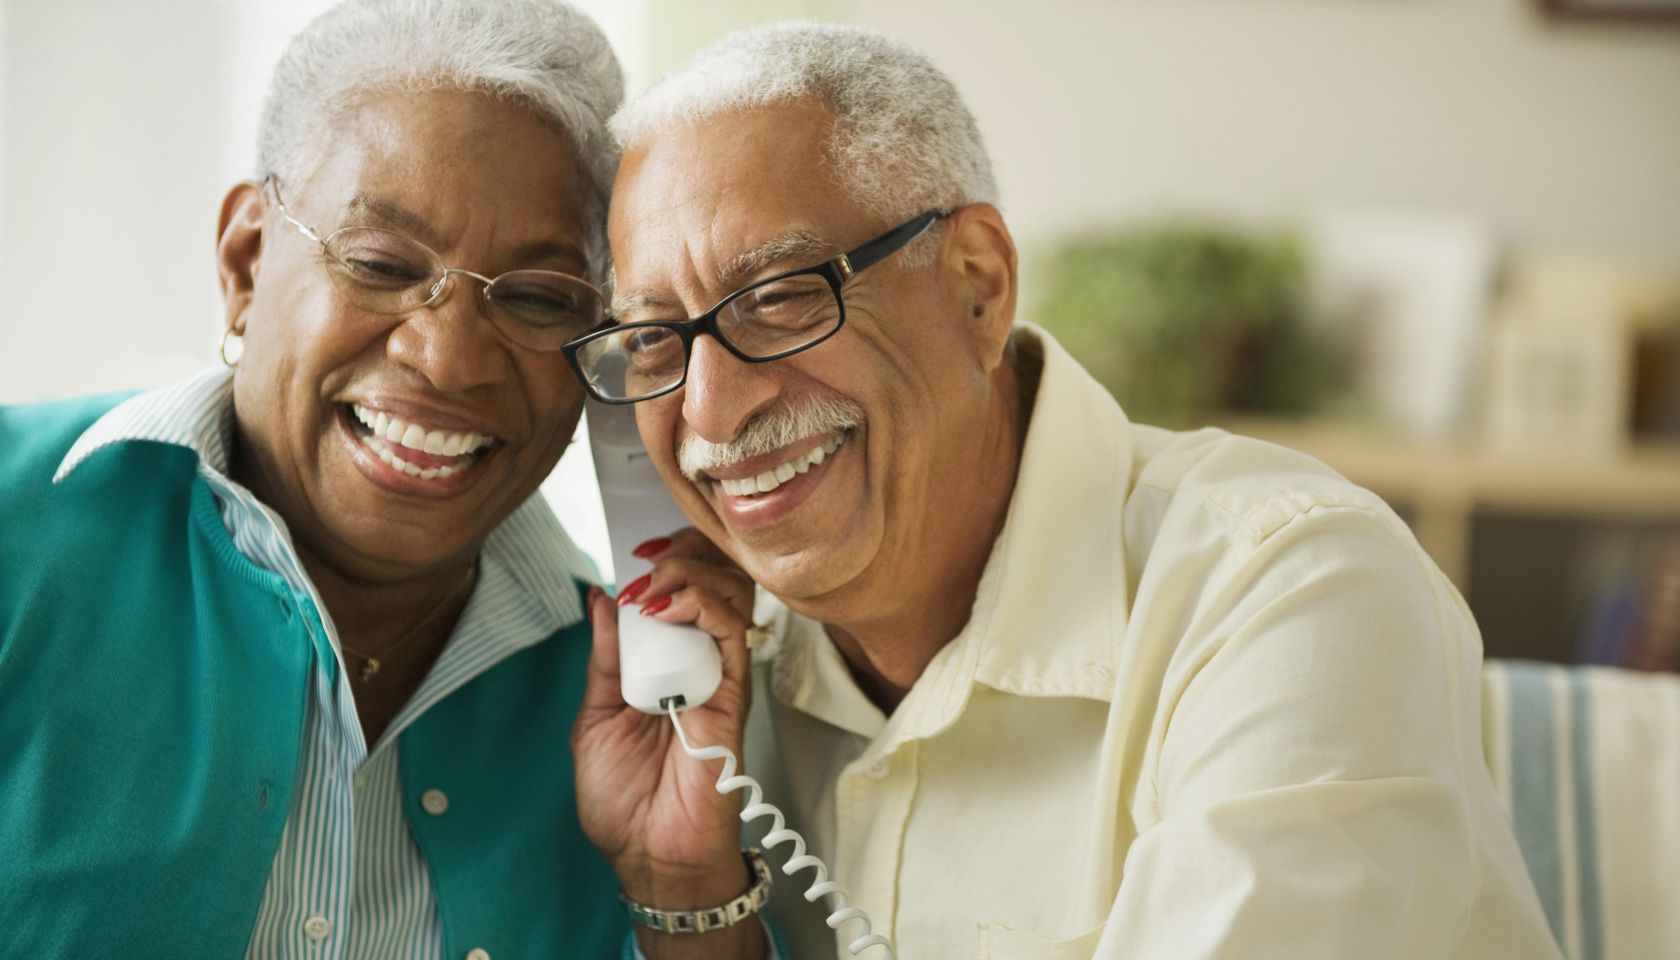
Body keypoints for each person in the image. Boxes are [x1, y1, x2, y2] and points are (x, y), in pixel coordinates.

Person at [565, 21, 1568, 960]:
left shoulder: (1294, 587)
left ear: (976, 285)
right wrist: (689, 887)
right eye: (653, 338)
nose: (709, 411)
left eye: (779, 298)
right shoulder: (713, 680)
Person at [0, 2, 760, 957]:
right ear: (244, 263)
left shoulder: (628, 699)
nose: (447, 360)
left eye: (537, 298)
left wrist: (679, 885)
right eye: (380, 263)